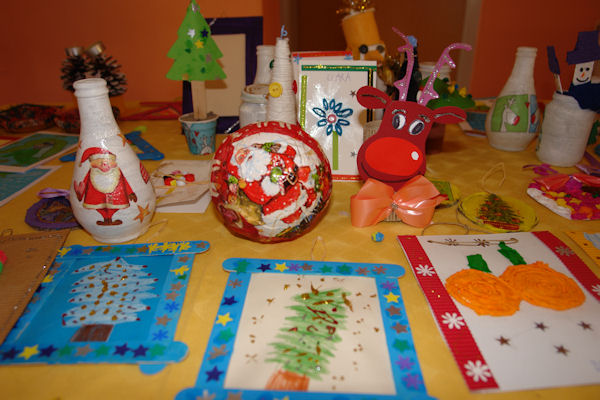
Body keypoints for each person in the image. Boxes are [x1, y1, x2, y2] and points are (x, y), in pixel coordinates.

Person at [73, 147, 137, 225]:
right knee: (100, 208)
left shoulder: (117, 172)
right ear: (92, 162)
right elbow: (84, 183)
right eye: (98, 161)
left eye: (107, 160)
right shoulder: (92, 172)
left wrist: (130, 193)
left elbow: (125, 182)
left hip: (115, 198)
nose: (104, 164)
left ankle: (109, 219)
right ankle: (106, 219)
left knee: (113, 207)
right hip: (96, 196)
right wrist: (80, 193)